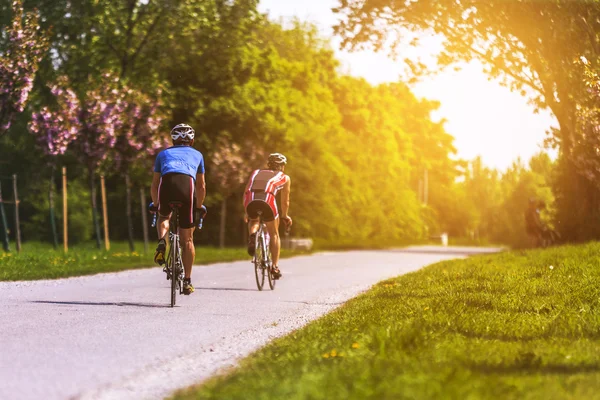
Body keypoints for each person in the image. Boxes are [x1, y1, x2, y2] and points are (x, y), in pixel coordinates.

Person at [150, 123, 206, 295]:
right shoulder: (198, 154)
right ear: (192, 140)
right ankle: (187, 281)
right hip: (186, 187)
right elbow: (201, 186)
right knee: (187, 239)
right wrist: (198, 207)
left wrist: (156, 204)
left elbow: (154, 184)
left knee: (163, 216)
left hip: (166, 184)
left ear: (172, 140)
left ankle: (162, 241)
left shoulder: (163, 154)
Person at [243, 153, 292, 279]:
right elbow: (285, 201)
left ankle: (252, 236)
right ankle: (274, 267)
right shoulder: (284, 177)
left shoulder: (256, 172)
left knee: (254, 221)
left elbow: (246, 191)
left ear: (268, 164)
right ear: (282, 166)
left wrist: (245, 212)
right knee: (274, 234)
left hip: (251, 199)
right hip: (268, 199)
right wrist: (285, 215)